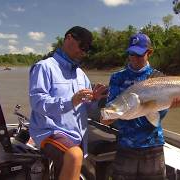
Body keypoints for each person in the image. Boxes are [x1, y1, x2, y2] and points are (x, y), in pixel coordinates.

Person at [29, 26, 107, 180]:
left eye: (87, 50)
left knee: (75, 161)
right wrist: (71, 101)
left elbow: (87, 108)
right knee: (74, 155)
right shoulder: (44, 67)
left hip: (77, 137)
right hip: (50, 131)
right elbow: (37, 102)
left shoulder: (81, 75)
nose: (83, 52)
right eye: (82, 46)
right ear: (69, 38)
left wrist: (95, 101)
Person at [102, 33, 180, 180]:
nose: (134, 58)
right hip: (126, 144)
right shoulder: (117, 77)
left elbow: (158, 114)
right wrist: (108, 117)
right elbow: (109, 110)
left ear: (149, 52)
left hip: (153, 144)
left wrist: (170, 106)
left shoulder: (159, 78)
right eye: (131, 54)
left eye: (139, 54)